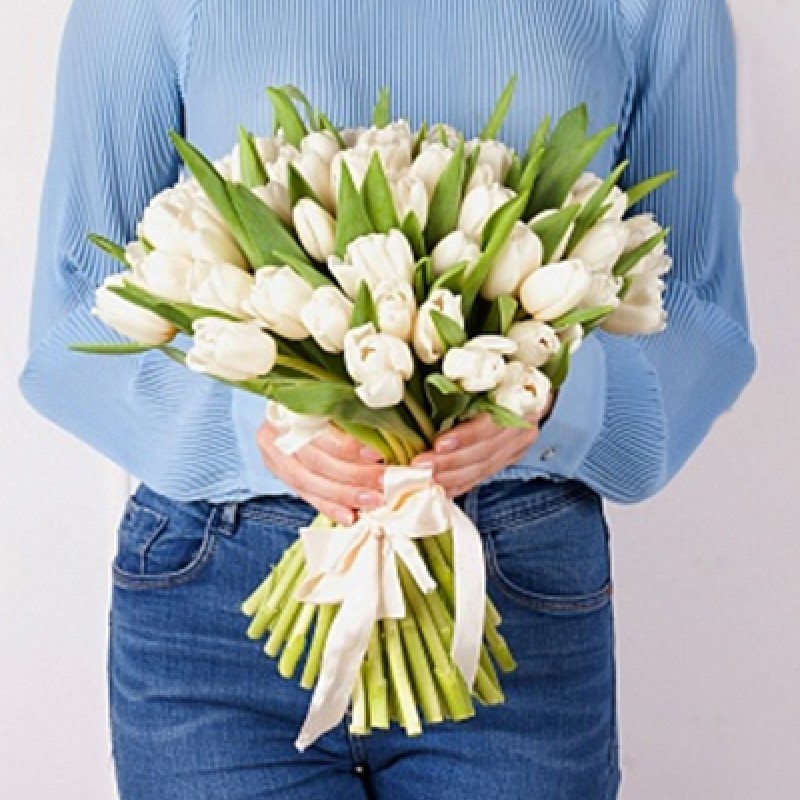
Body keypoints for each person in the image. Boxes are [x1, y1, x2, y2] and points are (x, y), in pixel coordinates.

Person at [18, 0, 756, 798]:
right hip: (217, 618)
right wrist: (255, 422)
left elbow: (700, 315)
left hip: (515, 595)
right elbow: (75, 308)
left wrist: (547, 399)